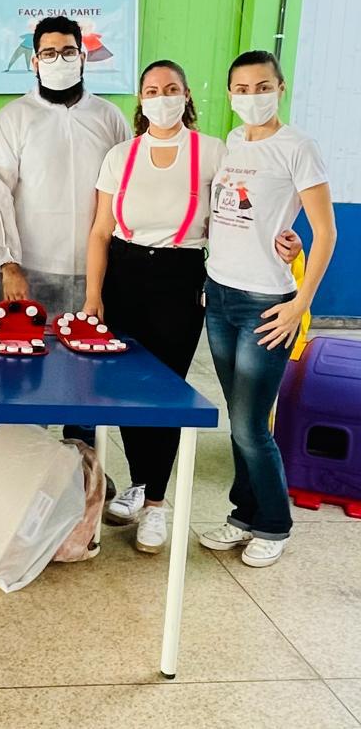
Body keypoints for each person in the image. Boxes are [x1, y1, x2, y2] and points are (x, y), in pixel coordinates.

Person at [83, 60, 302, 554]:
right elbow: (99, 231)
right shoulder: (120, 155)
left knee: (164, 390)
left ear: (186, 96)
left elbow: (247, 207)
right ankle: (141, 481)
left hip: (180, 277)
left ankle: (156, 503)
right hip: (123, 274)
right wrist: (94, 295)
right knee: (126, 388)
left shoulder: (214, 151)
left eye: (171, 89)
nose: (161, 97)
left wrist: (285, 239)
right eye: (151, 90)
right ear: (140, 99)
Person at [197, 51, 336, 568]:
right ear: (229, 94)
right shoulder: (234, 142)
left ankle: (274, 523)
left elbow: (325, 232)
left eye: (262, 86)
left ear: (280, 88)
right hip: (220, 296)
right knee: (237, 418)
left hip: (266, 303)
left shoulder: (298, 147)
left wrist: (300, 303)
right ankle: (243, 515)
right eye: (241, 88)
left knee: (251, 424)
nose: (251, 96)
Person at [0, 14, 131, 448]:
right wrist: (9, 263)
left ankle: (80, 471)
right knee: (19, 374)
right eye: (48, 53)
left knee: (85, 378)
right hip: (28, 273)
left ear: (83, 57)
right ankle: (14, 466)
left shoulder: (109, 117)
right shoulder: (13, 118)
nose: (58, 60)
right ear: (34, 61)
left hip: (93, 274)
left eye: (67, 52)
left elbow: (126, 190)